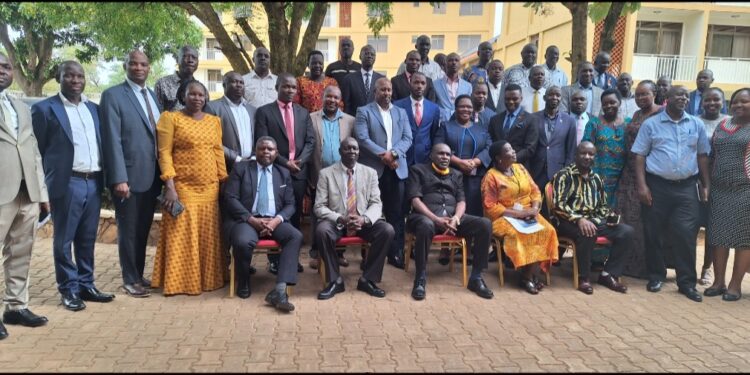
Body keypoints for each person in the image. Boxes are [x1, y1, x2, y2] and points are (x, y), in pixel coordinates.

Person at [31, 60, 114, 311]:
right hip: (67, 182)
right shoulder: (45, 109)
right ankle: (68, 289)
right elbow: (38, 151)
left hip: (93, 181)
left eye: (80, 76)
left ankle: (86, 284)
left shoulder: (94, 110)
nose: (76, 81)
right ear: (60, 78)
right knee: (64, 239)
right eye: (70, 76)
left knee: (87, 237)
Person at [632, 85, 711, 302]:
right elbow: (639, 155)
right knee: (654, 232)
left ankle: (686, 282)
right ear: (667, 99)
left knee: (686, 234)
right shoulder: (651, 125)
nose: (684, 98)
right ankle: (656, 275)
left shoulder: (696, 124)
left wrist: (705, 185)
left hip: (687, 187)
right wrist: (642, 186)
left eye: (686, 95)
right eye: (679, 95)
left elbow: (703, 155)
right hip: (657, 186)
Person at [151, 80, 228, 295]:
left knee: (207, 237)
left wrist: (223, 180)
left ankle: (208, 281)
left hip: (209, 188)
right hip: (182, 187)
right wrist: (169, 185)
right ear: (183, 96)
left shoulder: (214, 121)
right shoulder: (171, 118)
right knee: (181, 235)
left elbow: (217, 151)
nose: (197, 98)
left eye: (201, 95)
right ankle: (180, 283)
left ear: (206, 98)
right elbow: (164, 153)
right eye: (192, 94)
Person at [100, 50, 163, 298]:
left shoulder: (152, 96)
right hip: (128, 177)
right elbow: (111, 139)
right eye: (133, 64)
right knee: (128, 230)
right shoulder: (113, 96)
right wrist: (118, 178)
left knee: (142, 229)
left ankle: (138, 274)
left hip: (151, 177)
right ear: (125, 65)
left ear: (149, 68)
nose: (139, 68)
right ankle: (129, 279)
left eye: (144, 64)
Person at [0, 52, 49, 340]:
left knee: (21, 251)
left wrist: (42, 192)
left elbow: (33, 152)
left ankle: (16, 307)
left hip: (26, 192)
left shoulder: (20, 107)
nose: (2, 71)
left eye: (6, 66)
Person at [222, 137, 302, 312]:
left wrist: (276, 221)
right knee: (243, 241)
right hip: (247, 220)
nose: (266, 151)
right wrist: (252, 220)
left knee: (295, 236)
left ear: (276, 153)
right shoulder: (241, 169)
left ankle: (280, 291)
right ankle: (243, 280)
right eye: (262, 148)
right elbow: (230, 199)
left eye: (270, 149)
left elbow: (290, 204)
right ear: (255, 151)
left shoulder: (283, 173)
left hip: (274, 220)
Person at [407, 143, 494, 300]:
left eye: (448, 154)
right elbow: (415, 201)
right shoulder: (418, 170)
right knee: (426, 225)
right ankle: (420, 278)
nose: (445, 157)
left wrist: (456, 218)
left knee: (484, 224)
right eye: (441, 154)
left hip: (453, 220)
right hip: (425, 217)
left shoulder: (456, 174)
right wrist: (435, 219)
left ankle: (476, 278)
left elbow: (461, 201)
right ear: (432, 156)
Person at [314, 138, 394, 300]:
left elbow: (376, 203)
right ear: (340, 152)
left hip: (363, 222)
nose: (351, 152)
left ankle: (368, 279)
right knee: (321, 231)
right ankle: (335, 280)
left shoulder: (370, 173)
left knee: (387, 230)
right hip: (337, 222)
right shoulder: (326, 174)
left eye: (355, 149)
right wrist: (340, 218)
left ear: (359, 152)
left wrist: (364, 219)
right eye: (347, 148)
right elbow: (319, 207)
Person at [550, 141, 633, 294]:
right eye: (583, 153)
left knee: (626, 232)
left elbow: (603, 205)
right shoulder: (564, 176)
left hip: (592, 221)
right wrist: (579, 220)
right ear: (576, 155)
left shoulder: (596, 179)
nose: (587, 157)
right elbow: (558, 204)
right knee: (588, 231)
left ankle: (608, 274)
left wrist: (608, 217)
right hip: (567, 221)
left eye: (591, 154)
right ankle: (584, 278)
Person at [254, 73, 315, 274]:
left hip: (298, 172)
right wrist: (284, 162)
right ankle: (274, 259)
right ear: (277, 87)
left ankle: (291, 258)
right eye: (285, 86)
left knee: (294, 215)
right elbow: (262, 141)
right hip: (275, 170)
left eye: (293, 87)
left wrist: (300, 161)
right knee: (274, 213)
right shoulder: (264, 112)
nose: (290, 90)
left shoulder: (303, 113)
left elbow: (310, 141)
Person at [482, 140, 559, 294]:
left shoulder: (520, 168)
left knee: (547, 230)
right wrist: (519, 214)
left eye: (512, 148)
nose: (514, 152)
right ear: (499, 157)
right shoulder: (491, 177)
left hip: (529, 212)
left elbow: (535, 191)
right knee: (520, 234)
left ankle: (529, 274)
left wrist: (534, 209)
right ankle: (528, 276)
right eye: (509, 150)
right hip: (503, 217)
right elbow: (490, 206)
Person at [354, 78, 413, 269]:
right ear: (375, 92)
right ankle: (368, 256)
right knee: (370, 212)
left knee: (396, 214)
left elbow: (407, 138)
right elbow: (362, 138)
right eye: (383, 90)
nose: (387, 93)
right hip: (373, 171)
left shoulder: (401, 112)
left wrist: (394, 153)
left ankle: (394, 253)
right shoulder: (364, 111)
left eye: (389, 90)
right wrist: (385, 156)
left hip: (397, 170)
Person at [705, 87, 750, 301]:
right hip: (720, 191)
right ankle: (719, 281)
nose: (739, 105)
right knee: (718, 236)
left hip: (745, 191)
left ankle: (735, 285)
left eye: (744, 102)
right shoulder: (723, 126)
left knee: (743, 240)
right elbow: (712, 155)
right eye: (735, 102)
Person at [615, 80, 662, 279]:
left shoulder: (661, 114)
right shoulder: (636, 114)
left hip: (648, 173)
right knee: (626, 216)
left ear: (655, 94)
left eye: (645, 94)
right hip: (629, 174)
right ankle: (626, 263)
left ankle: (644, 267)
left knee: (645, 221)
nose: (641, 98)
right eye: (638, 95)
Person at [308, 85, 355, 270]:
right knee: (317, 216)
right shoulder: (311, 118)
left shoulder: (350, 121)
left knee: (342, 212)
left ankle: (339, 253)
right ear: (322, 97)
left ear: (340, 100)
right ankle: (317, 254)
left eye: (336, 98)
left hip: (343, 177)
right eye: (329, 97)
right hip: (318, 175)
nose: (332, 101)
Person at [435, 95, 492, 217]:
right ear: (455, 109)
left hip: (475, 178)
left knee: (474, 213)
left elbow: (489, 148)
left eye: (469, 107)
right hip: (449, 176)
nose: (466, 109)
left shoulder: (481, 128)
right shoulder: (446, 126)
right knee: (452, 211)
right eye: (462, 106)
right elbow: (438, 146)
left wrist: (475, 162)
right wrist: (459, 162)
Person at [697, 86, 729, 285]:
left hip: (720, 183)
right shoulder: (694, 121)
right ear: (701, 102)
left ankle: (706, 269)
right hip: (695, 181)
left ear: (723, 102)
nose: (711, 103)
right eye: (707, 100)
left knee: (712, 229)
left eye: (716, 99)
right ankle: (686, 268)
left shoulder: (729, 123)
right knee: (688, 229)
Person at [581, 89, 630, 206]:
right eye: (605, 103)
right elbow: (584, 149)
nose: (608, 106)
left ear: (620, 103)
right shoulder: (594, 123)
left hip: (621, 177)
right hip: (597, 175)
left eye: (612, 102)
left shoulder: (629, 124)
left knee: (616, 211)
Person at [206, 71, 257, 172]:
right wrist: (237, 159)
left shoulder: (252, 110)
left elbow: (257, 136)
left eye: (241, 83)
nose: (239, 85)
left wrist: (254, 157)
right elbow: (211, 140)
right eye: (234, 82)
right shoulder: (212, 107)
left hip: (252, 165)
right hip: (226, 166)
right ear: (224, 85)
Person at [529, 86, 577, 192]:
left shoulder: (569, 121)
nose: (554, 97)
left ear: (561, 98)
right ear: (544, 97)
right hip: (536, 170)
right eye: (551, 95)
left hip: (558, 172)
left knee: (554, 206)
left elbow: (571, 150)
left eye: (558, 95)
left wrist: (565, 172)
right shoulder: (533, 118)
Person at [393, 72, 441, 167]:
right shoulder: (397, 106)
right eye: (416, 82)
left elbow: (433, 133)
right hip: (403, 156)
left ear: (426, 85)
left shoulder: (434, 108)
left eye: (423, 83)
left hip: (425, 157)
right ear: (410, 83)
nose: (419, 86)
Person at [488, 84, 540, 169]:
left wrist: (510, 160)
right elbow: (491, 142)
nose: (511, 102)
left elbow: (530, 148)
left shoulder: (531, 119)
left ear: (521, 98)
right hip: (497, 167)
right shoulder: (495, 119)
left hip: (519, 168)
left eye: (515, 99)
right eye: (507, 99)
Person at [341, 45, 385, 117]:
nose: (369, 56)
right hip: (355, 121)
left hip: (376, 122)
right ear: (360, 56)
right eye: (366, 53)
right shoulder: (349, 79)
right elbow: (346, 105)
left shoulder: (382, 79)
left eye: (372, 54)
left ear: (375, 58)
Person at [154, 45, 199, 112]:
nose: (190, 60)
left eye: (194, 57)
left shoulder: (200, 88)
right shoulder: (162, 84)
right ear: (177, 60)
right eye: (185, 56)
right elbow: (155, 114)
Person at [434, 53, 472, 122]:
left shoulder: (468, 86)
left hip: (460, 122)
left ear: (460, 64)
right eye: (450, 60)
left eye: (456, 60)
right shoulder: (435, 84)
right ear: (445, 63)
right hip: (441, 122)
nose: (454, 62)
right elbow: (432, 104)